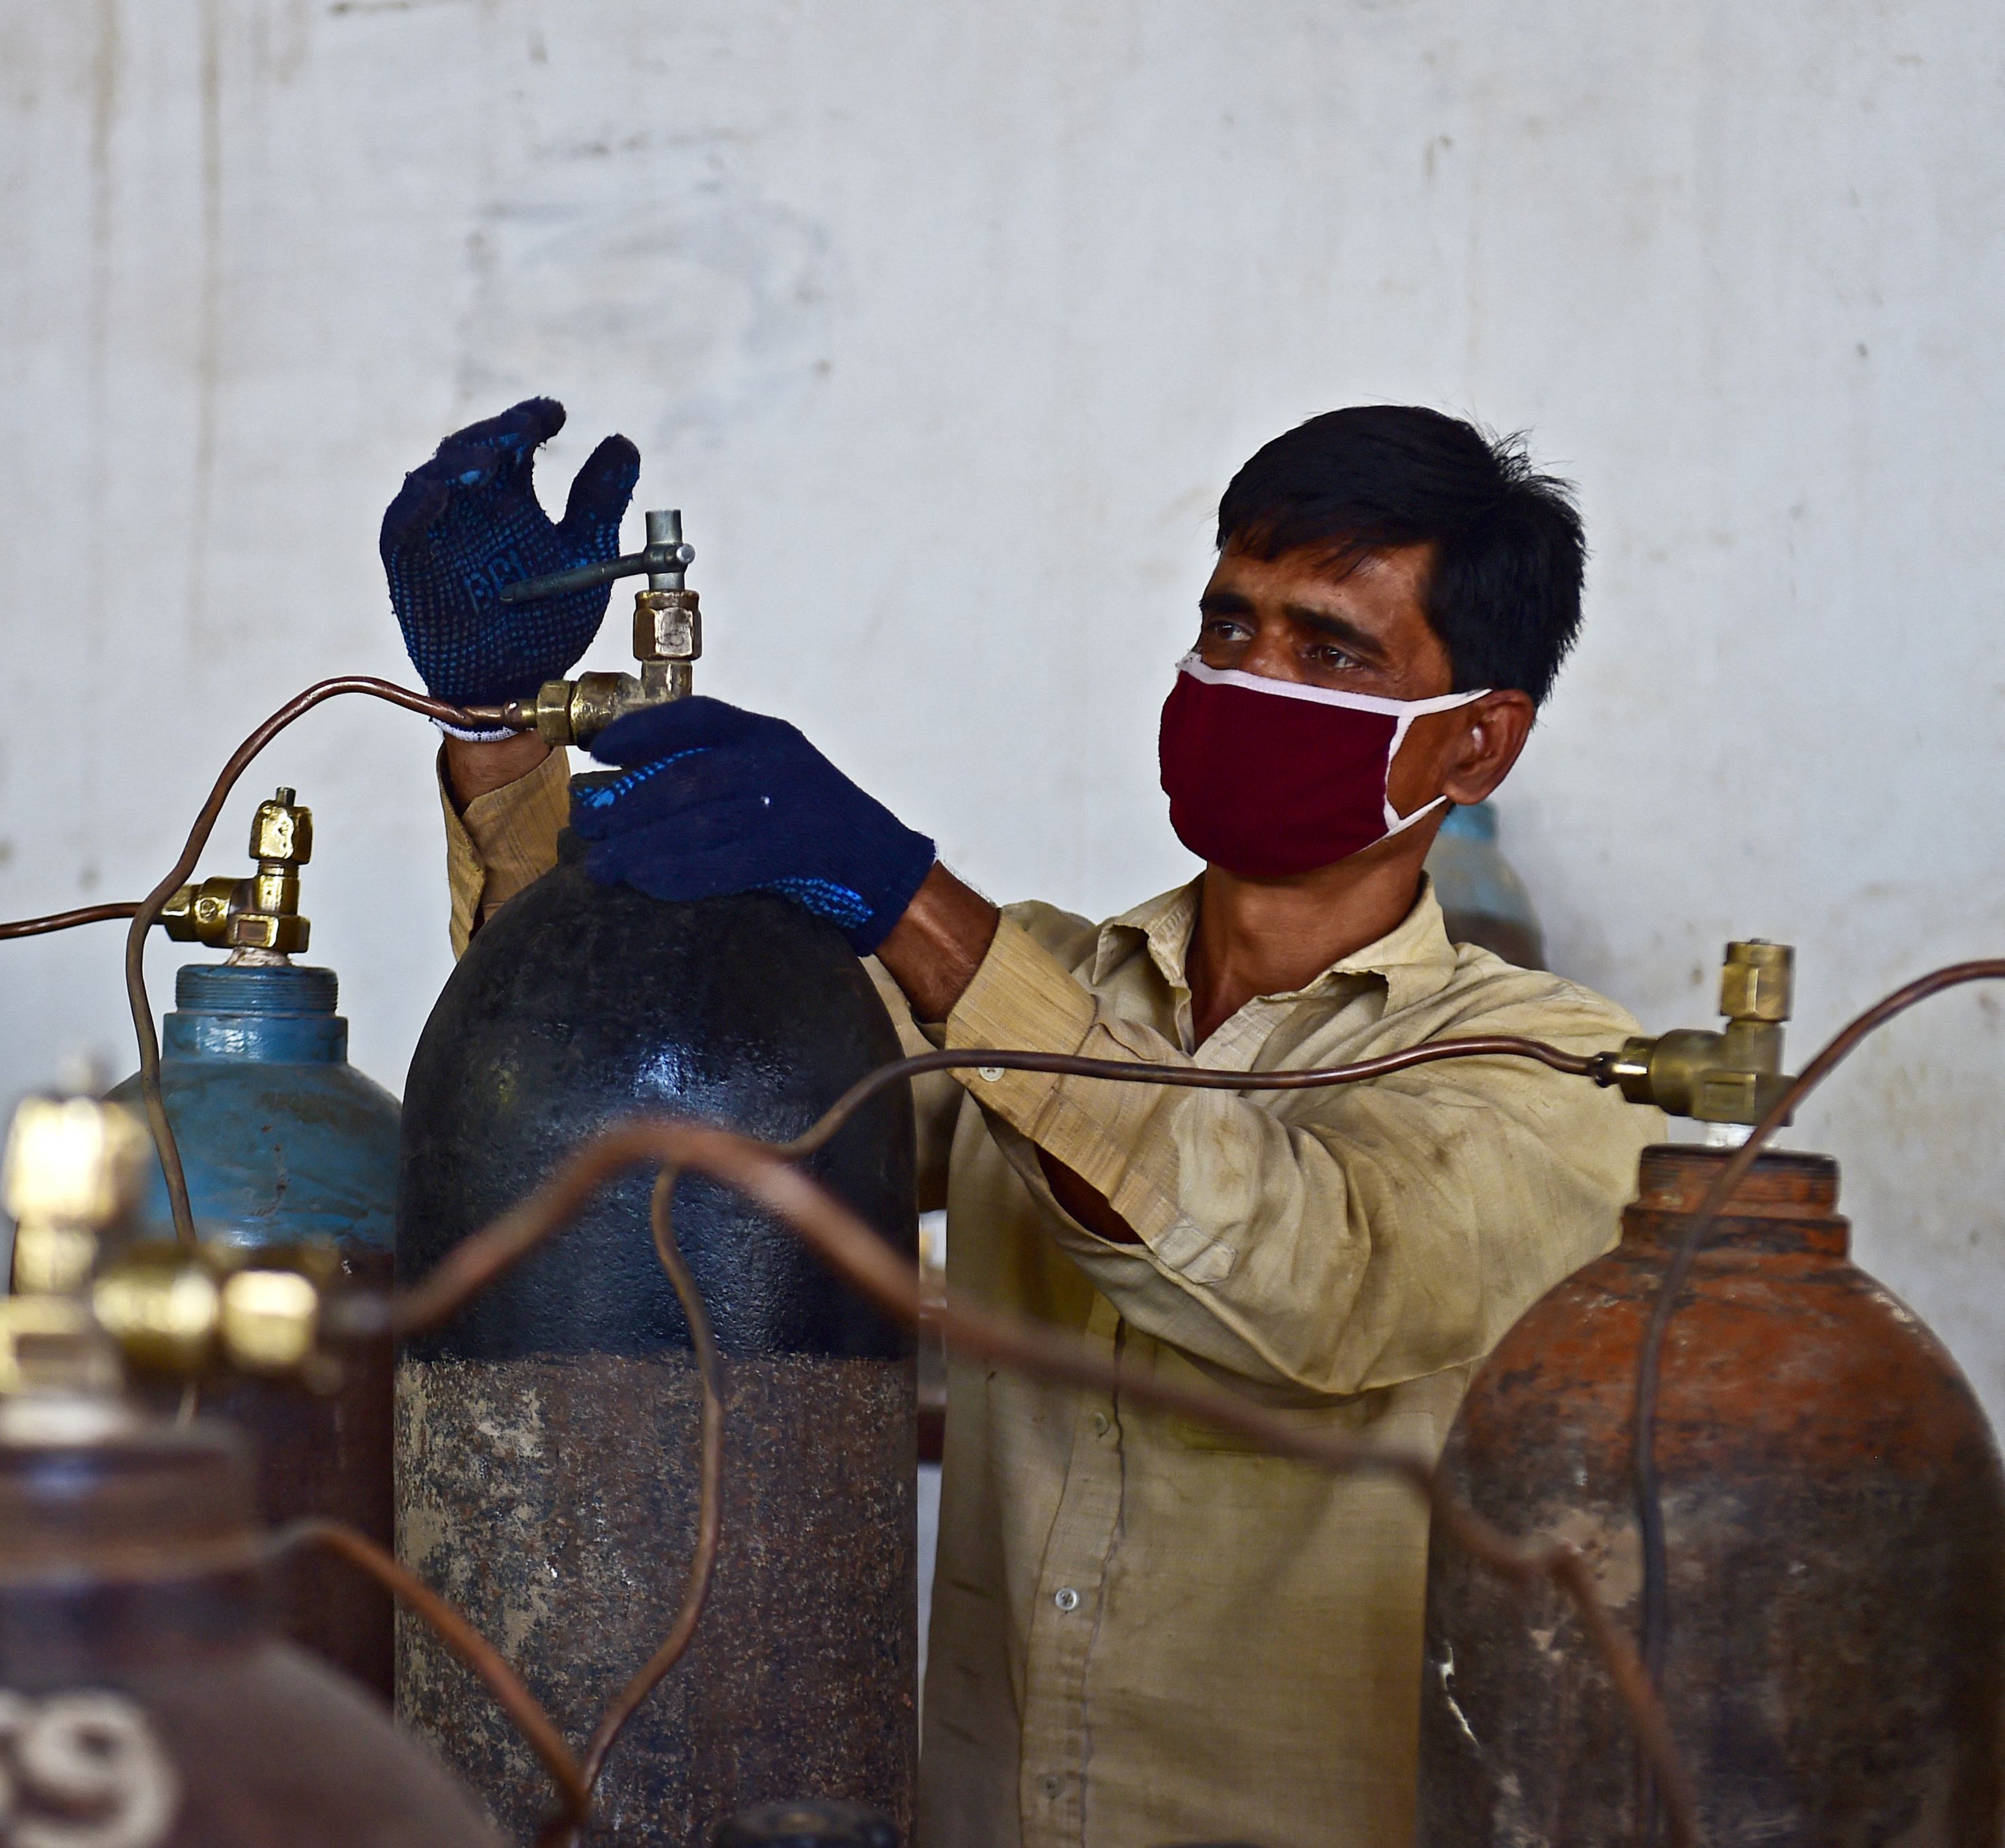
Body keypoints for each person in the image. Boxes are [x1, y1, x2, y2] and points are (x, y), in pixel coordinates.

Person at [380, 398, 1664, 1848]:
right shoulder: (1041, 987)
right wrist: (498, 737)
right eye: (1227, 627)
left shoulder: (1557, 1076)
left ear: (1479, 746)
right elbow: (655, 1077)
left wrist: (904, 891)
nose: (1249, 676)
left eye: (1329, 650)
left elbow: (1297, 1278)